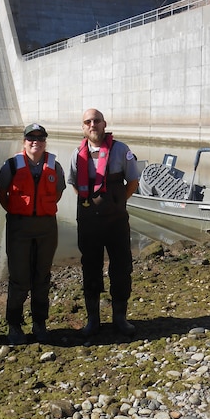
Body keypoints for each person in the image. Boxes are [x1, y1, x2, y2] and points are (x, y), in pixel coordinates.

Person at [68, 108, 139, 338]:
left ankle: (120, 319)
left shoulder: (121, 150)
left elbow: (133, 181)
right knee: (90, 268)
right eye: (88, 122)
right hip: (89, 222)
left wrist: (118, 202)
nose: (92, 125)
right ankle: (93, 320)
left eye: (96, 121)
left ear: (104, 123)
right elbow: (74, 184)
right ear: (83, 127)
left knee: (121, 268)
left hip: (116, 221)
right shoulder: (76, 154)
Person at [0, 124, 66, 344]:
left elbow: (58, 192)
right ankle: (14, 325)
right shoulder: (10, 166)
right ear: (23, 141)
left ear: (45, 142)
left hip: (46, 227)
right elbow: (1, 193)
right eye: (30, 138)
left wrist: (40, 209)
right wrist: (18, 211)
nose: (35, 141)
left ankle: (39, 323)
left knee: (42, 277)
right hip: (19, 227)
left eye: (40, 138)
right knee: (18, 279)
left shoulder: (55, 166)